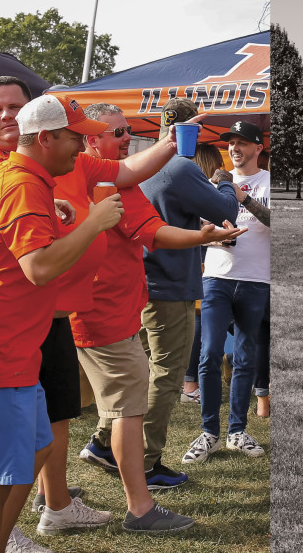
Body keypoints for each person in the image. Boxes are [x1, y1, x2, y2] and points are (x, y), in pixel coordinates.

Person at [0, 94, 127, 553]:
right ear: (45, 138)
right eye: (75, 138)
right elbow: (40, 267)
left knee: (37, 449)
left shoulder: (19, 176)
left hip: (14, 348)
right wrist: (94, 224)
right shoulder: (21, 183)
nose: (82, 149)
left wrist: (57, 214)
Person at [72, 104, 242, 528]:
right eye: (116, 132)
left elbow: (148, 229)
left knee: (117, 389)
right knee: (156, 380)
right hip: (143, 296)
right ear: (90, 140)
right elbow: (222, 211)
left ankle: (82, 468)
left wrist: (198, 235)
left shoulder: (127, 175)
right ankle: (141, 476)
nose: (126, 137)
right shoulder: (172, 170)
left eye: (129, 130)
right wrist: (223, 187)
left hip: (131, 296)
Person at [184, 120, 271, 464]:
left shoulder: (267, 182)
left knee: (244, 357)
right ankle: (209, 432)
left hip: (256, 279)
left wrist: (243, 198)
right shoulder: (213, 184)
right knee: (209, 354)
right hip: (217, 277)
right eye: (230, 143)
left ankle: (237, 431)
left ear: (258, 148)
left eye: (242, 143)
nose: (234, 149)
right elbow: (193, 224)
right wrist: (209, 228)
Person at [180, 142, 226, 404]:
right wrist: (214, 239)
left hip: (199, 262)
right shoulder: (202, 191)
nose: (221, 167)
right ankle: (190, 384)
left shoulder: (193, 188)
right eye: (217, 161)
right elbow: (198, 230)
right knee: (198, 323)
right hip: (202, 264)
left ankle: (191, 383)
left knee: (199, 324)